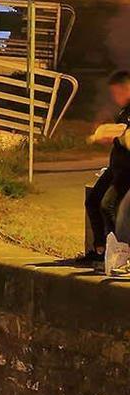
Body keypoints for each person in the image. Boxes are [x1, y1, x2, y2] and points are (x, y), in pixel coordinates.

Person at [80, 69, 130, 264]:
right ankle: (100, 250)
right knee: (92, 200)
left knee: (108, 205)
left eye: (117, 92)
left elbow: (124, 133)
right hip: (115, 167)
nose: (114, 97)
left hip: (126, 170)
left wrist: (109, 133)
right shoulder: (123, 110)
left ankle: (118, 253)